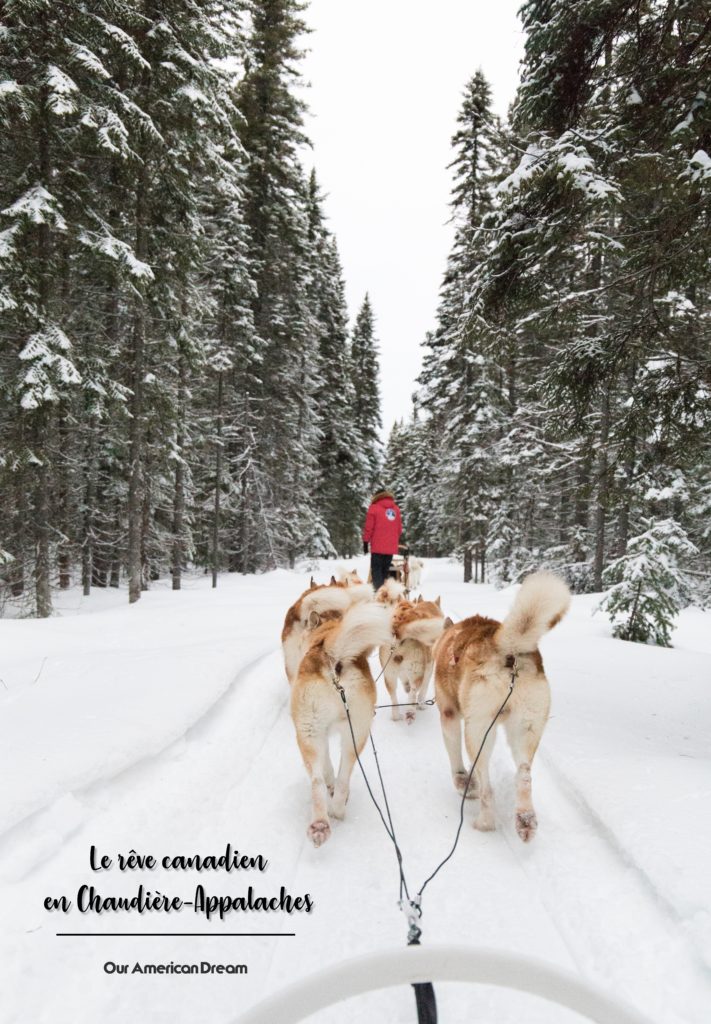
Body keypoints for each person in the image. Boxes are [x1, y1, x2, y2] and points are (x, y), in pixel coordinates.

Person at [362, 487, 403, 592]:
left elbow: (369, 528)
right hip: (390, 548)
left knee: (376, 572)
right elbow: (399, 530)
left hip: (377, 547)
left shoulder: (374, 508)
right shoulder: (396, 509)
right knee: (385, 572)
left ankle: (379, 594)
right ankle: (384, 593)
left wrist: (365, 542)